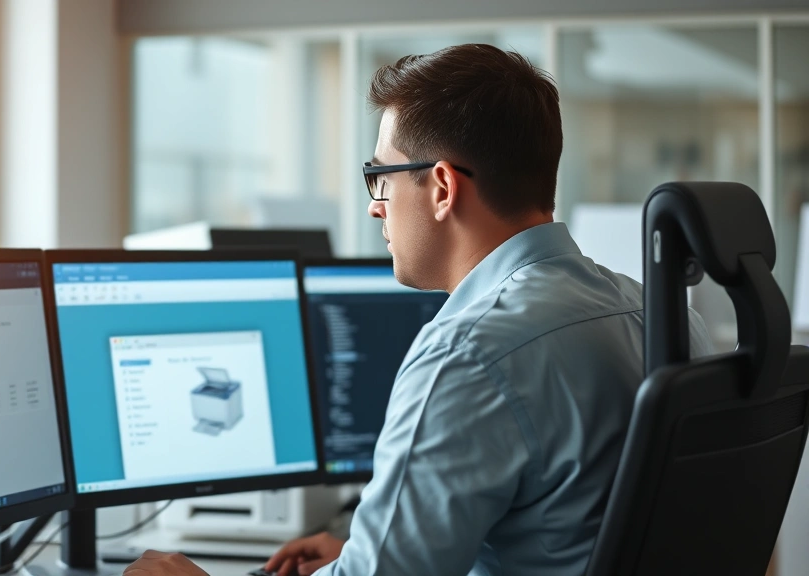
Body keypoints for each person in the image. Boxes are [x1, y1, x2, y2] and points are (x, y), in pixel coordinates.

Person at [121, 43, 713, 576]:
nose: (376, 206)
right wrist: (361, 552)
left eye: (379, 175)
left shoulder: (469, 354)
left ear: (441, 188)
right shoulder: (668, 320)